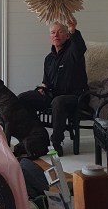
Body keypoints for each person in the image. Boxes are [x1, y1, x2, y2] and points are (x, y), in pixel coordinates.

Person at [18, 17, 87, 156]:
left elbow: (80, 47)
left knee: (58, 101)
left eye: (60, 32)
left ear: (67, 35)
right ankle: (34, 135)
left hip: (74, 97)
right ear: (50, 37)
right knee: (23, 98)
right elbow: (46, 82)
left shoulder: (73, 52)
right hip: (52, 94)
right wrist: (42, 89)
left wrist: (73, 29)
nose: (56, 35)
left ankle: (56, 142)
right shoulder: (48, 59)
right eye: (53, 32)